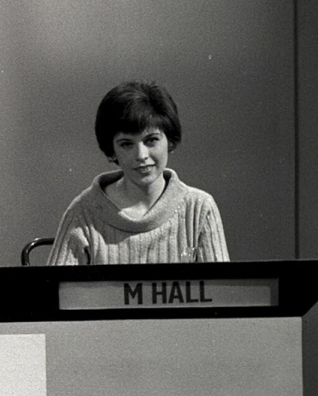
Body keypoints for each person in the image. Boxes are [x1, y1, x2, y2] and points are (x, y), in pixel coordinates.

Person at [47, 81, 228, 265]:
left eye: (151, 140)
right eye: (126, 144)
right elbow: (53, 292)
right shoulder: (82, 213)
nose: (141, 155)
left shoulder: (200, 209)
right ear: (112, 150)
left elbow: (221, 291)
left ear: (169, 140)